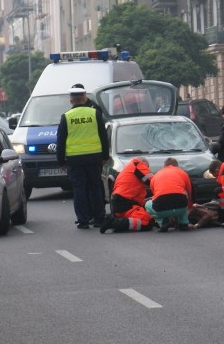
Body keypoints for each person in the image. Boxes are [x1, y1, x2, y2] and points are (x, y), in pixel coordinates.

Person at [56, 83, 110, 229]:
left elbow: (60, 141)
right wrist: (105, 155)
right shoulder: (95, 114)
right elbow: (103, 136)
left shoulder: (66, 117)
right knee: (95, 187)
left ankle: (83, 220)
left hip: (75, 159)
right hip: (94, 157)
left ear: (71, 100)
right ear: (84, 97)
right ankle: (99, 218)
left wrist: (61, 161)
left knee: (79, 189)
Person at [100, 157, 155, 233]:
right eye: (147, 167)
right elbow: (153, 181)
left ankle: (117, 222)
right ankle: (114, 223)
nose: (147, 169)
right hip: (127, 202)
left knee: (143, 217)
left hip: (119, 202)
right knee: (146, 222)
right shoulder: (137, 164)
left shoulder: (127, 169)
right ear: (144, 163)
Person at [145, 157, 193, 232]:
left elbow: (155, 195)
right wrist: (190, 207)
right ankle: (183, 223)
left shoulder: (156, 175)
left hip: (161, 210)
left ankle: (163, 222)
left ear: (164, 166)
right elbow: (190, 193)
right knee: (184, 195)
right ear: (176, 166)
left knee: (147, 204)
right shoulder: (182, 172)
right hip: (181, 207)